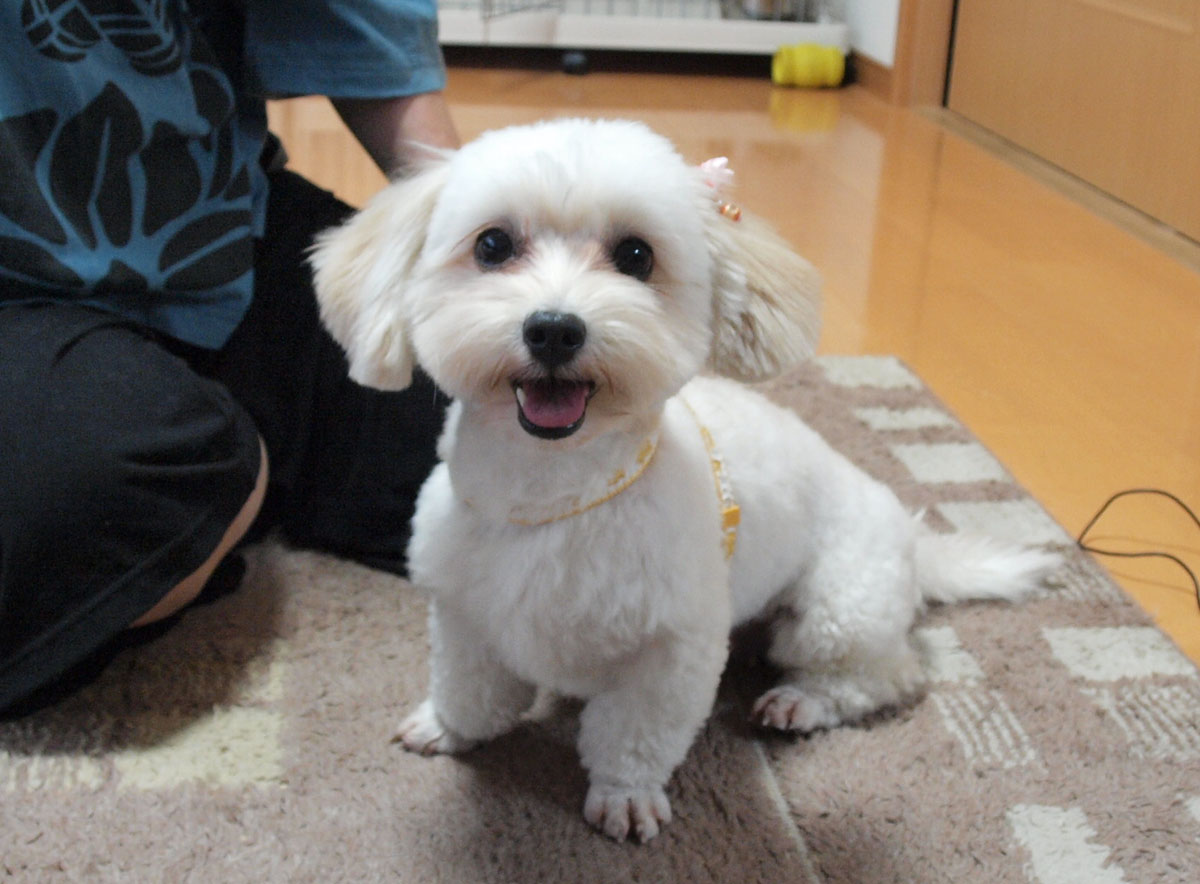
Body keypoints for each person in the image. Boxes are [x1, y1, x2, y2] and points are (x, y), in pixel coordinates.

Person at [0, 0, 459, 715]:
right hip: (19, 296)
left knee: (572, 460)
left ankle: (215, 492)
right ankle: (219, 479)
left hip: (219, 229)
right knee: (124, 482)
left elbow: (363, 26)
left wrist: (480, 238)